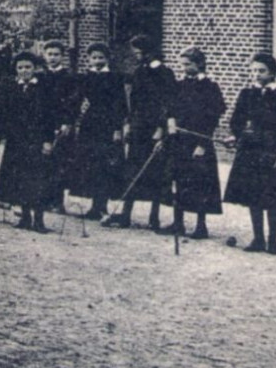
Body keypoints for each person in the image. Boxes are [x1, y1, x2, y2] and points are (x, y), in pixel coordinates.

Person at [223, 52, 276, 254]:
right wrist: (234, 136)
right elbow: (236, 122)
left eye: (262, 71)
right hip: (249, 149)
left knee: (272, 196)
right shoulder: (247, 94)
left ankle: (272, 241)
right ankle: (258, 239)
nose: (256, 74)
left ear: (272, 73)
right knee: (253, 195)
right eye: (253, 70)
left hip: (272, 149)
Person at [104, 34, 176, 230]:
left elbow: (168, 104)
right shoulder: (139, 72)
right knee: (132, 169)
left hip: (154, 129)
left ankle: (154, 218)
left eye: (138, 52)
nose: (136, 56)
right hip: (138, 127)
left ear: (148, 52)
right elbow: (133, 101)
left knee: (155, 171)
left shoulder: (165, 74)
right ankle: (126, 214)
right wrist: (128, 123)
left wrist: (161, 129)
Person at [164, 46, 226, 239]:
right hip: (179, 140)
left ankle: (201, 225)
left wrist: (202, 144)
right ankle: (178, 222)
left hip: (199, 141)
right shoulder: (179, 85)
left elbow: (213, 117)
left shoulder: (210, 87)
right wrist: (171, 122)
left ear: (199, 64)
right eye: (182, 64)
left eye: (188, 64)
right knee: (178, 179)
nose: (184, 68)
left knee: (201, 182)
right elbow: (170, 107)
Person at [0, 51, 54, 233]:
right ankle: (25, 218)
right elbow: (2, 115)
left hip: (36, 141)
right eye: (20, 67)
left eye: (28, 67)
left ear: (35, 69)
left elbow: (48, 118)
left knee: (37, 179)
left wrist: (48, 141)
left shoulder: (43, 89)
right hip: (16, 141)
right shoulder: (11, 88)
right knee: (19, 179)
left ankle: (39, 220)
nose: (24, 71)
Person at [68, 42, 122, 220]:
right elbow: (77, 100)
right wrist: (71, 120)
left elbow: (120, 104)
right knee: (89, 163)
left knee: (105, 165)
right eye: (94, 57)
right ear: (89, 59)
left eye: (100, 57)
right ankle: (92, 206)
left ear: (107, 59)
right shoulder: (86, 78)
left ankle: (102, 204)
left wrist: (117, 128)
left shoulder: (114, 78)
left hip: (107, 124)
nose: (97, 61)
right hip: (90, 123)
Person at [37, 39, 77, 212]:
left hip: (60, 124)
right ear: (44, 55)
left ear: (62, 56)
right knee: (42, 163)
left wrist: (67, 122)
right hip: (42, 124)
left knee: (59, 163)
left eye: (56, 54)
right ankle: (42, 199)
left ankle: (57, 201)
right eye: (50, 54)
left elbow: (73, 102)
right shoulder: (39, 76)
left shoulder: (69, 77)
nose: (52, 58)